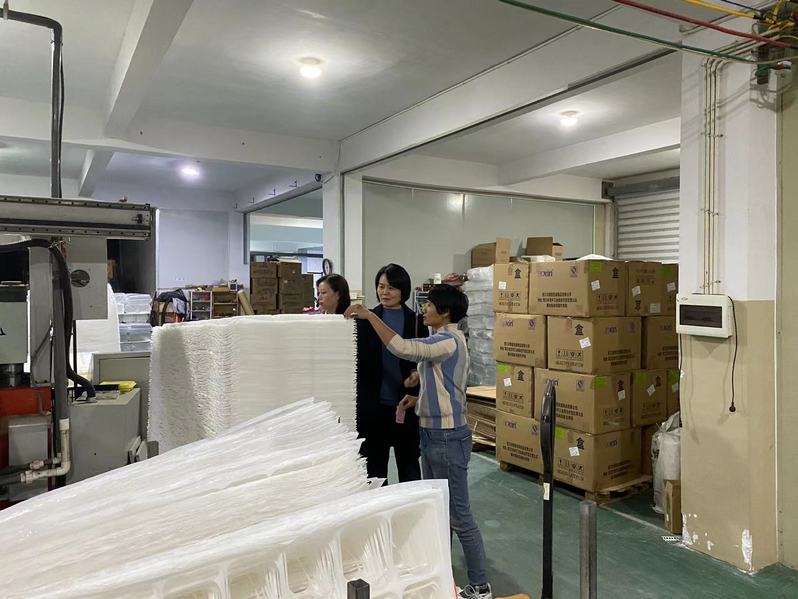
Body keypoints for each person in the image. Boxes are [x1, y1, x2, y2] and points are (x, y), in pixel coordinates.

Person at [346, 284, 492, 599]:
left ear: (445, 312)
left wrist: (370, 316)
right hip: (432, 433)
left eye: (430, 305)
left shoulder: (448, 341)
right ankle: (444, 576)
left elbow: (402, 347)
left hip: (447, 437)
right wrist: (417, 396)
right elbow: (442, 382)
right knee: (440, 510)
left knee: (459, 515)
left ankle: (481, 587)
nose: (424, 309)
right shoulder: (442, 340)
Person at [355, 263, 427, 483]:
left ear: (403, 290)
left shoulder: (416, 321)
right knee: (375, 468)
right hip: (374, 406)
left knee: (409, 463)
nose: (384, 292)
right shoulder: (365, 320)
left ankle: (411, 504)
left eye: (391, 287)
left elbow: (424, 358)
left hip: (406, 404)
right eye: (381, 286)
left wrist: (417, 373)